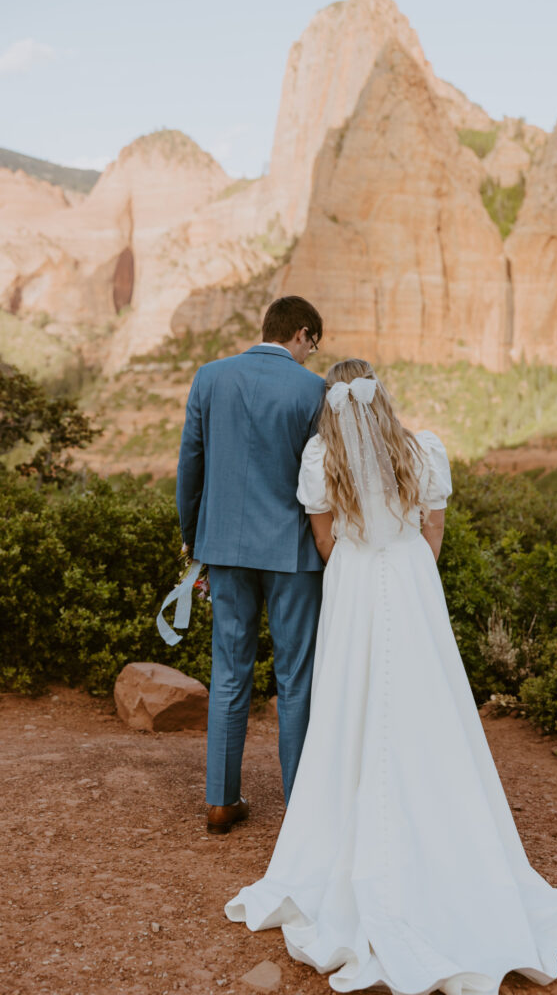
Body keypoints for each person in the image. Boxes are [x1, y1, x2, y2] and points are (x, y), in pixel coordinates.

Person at [225, 358, 557, 995]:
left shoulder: (323, 458)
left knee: (352, 708)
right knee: (427, 706)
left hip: (351, 586)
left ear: (331, 404)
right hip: (412, 583)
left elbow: (324, 546)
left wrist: (362, 555)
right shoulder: (420, 449)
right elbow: (433, 534)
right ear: (382, 397)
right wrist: (407, 566)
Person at [176, 296, 325, 834]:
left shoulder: (210, 378)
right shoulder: (313, 390)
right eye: (314, 344)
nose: (312, 355)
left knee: (230, 674)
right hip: (293, 556)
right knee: (295, 681)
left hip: (226, 550)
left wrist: (196, 543)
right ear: (302, 334)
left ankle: (220, 800)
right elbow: (321, 482)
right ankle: (300, 809)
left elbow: (190, 466)